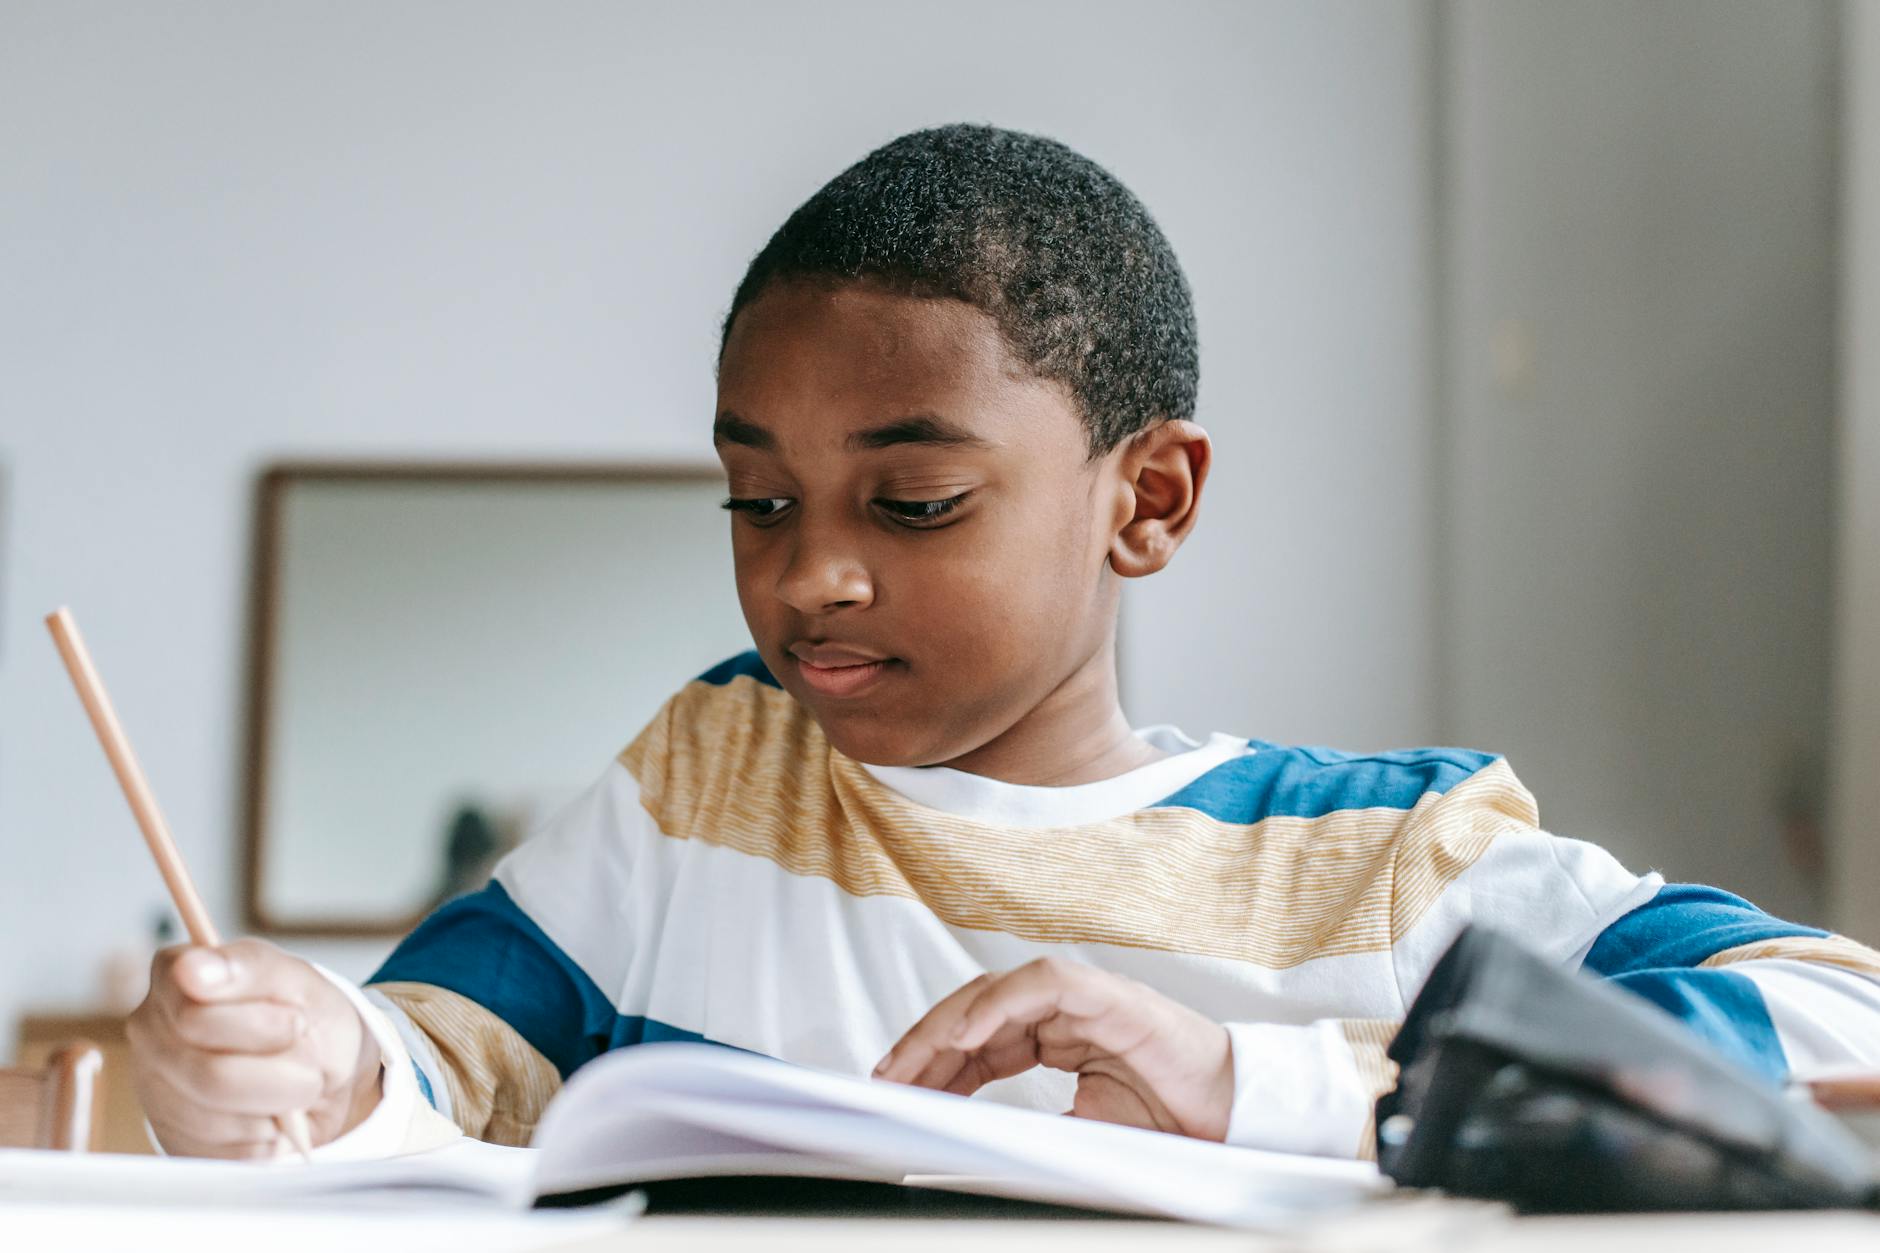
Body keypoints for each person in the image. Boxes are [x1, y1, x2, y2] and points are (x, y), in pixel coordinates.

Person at [127, 125, 1880, 1162]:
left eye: (911, 507)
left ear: (1148, 498)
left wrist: (1250, 1082)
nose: (809, 576)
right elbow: (451, 1048)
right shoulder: (714, 777)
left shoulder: (1374, 859)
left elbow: (1836, 1025)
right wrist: (321, 1057)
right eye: (758, 503)